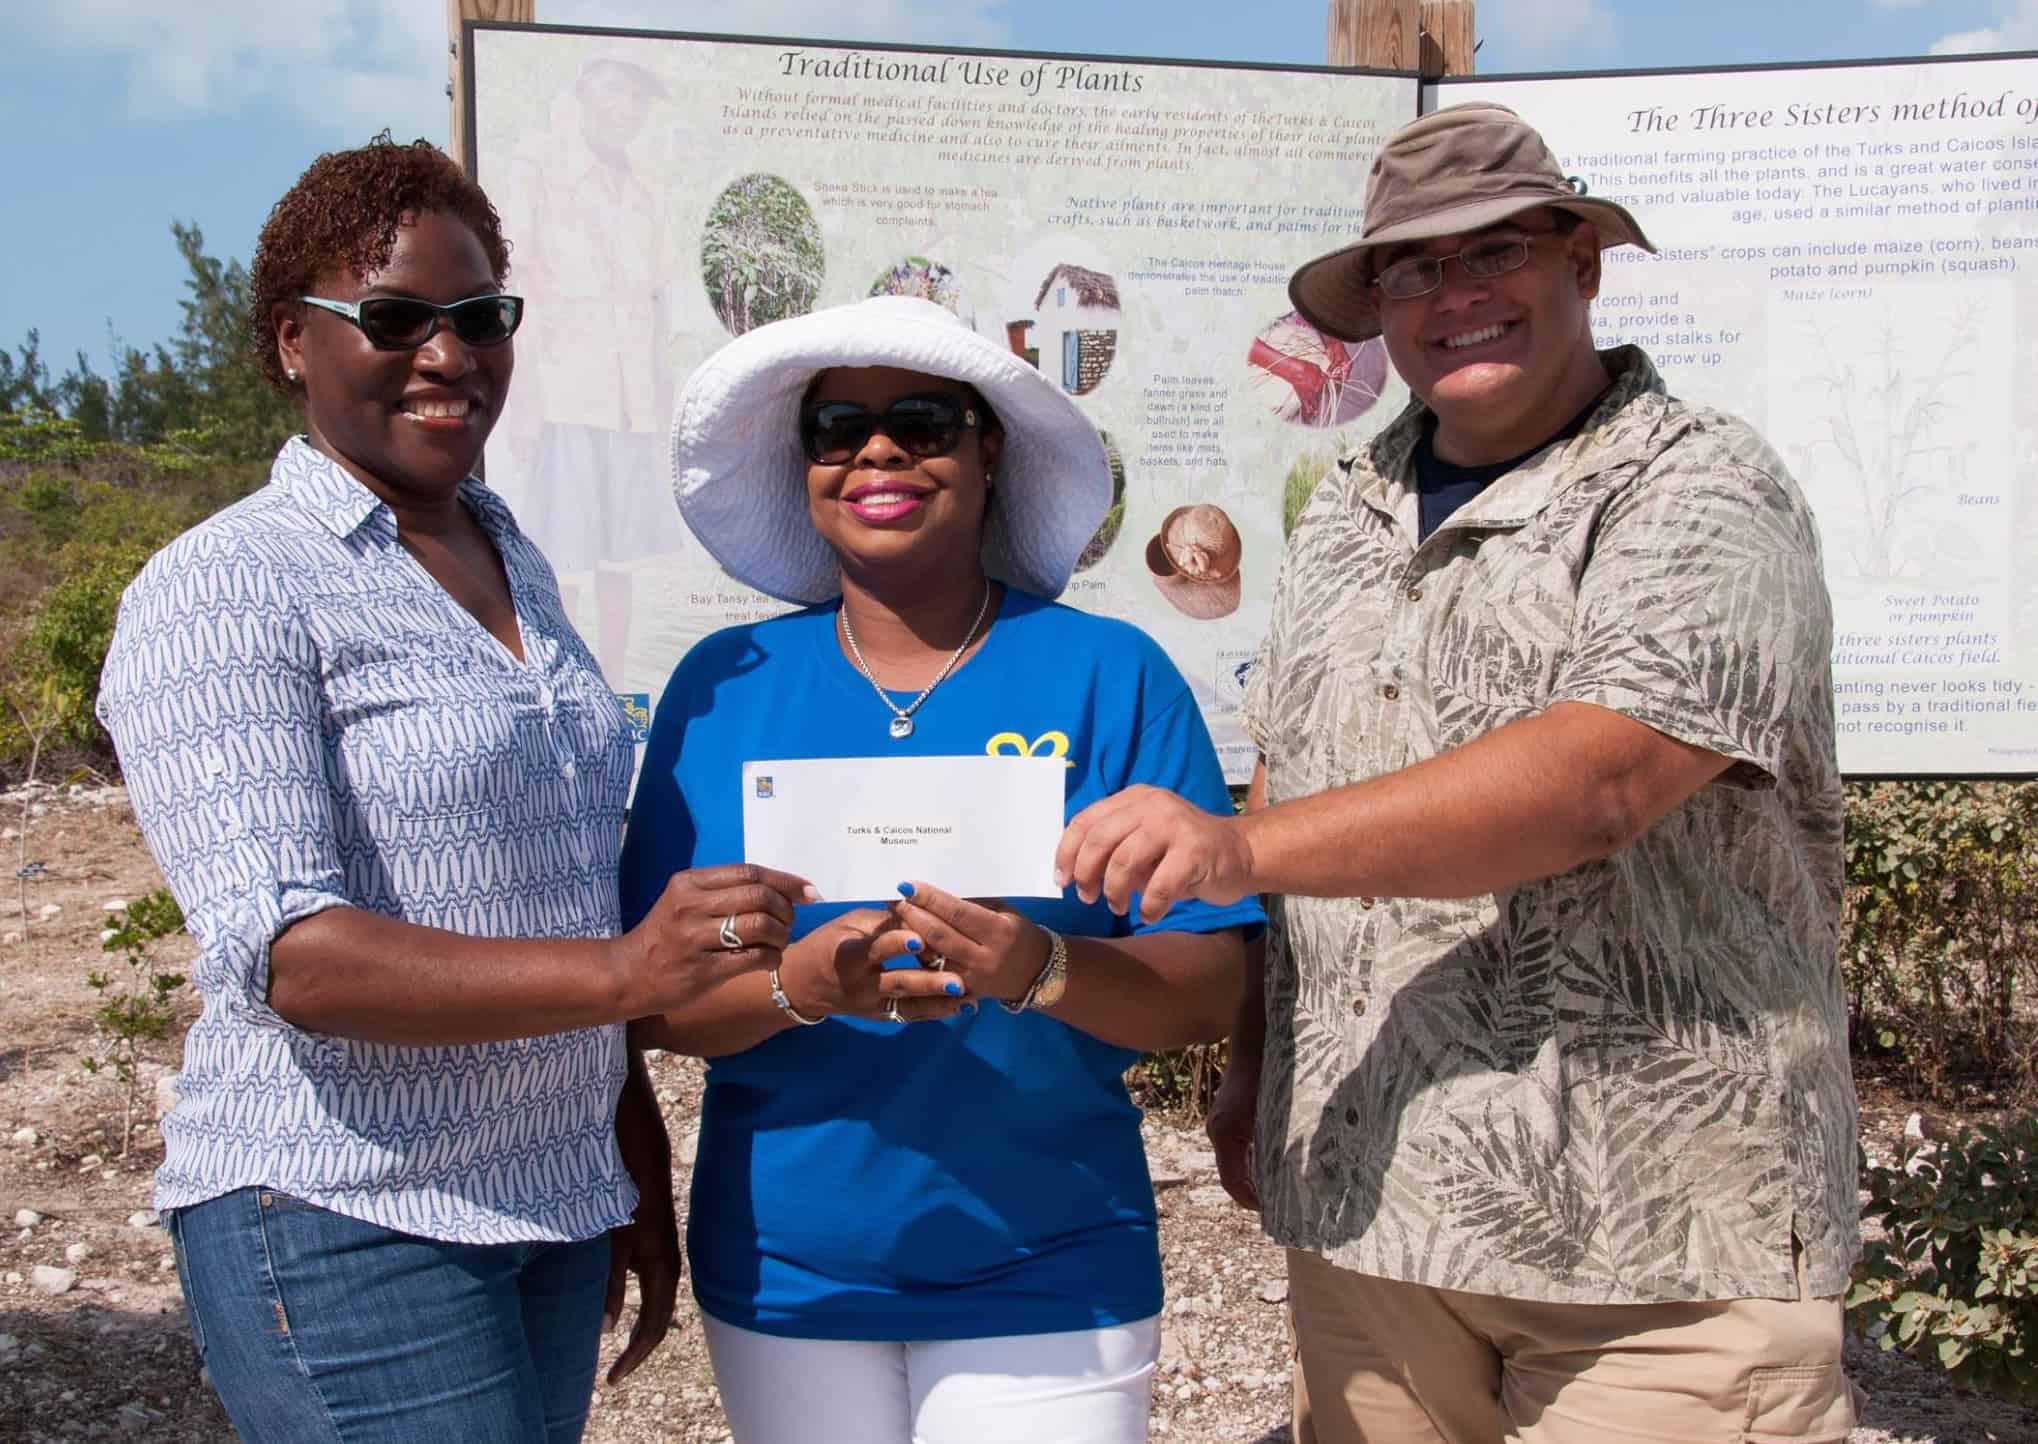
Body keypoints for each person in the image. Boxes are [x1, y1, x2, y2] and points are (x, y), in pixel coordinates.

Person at [1055, 103, 1859, 1443]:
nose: (1455, 295)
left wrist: (1235, 852)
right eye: (1412, 269)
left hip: (1655, 1241)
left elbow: (1600, 777)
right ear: (1374, 309)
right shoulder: (1348, 511)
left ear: (1581, 265)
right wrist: (1260, 1058)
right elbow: (1294, 788)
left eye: (1498, 251)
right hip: (1379, 1212)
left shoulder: (1697, 487)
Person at [95, 136, 808, 1443]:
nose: (448, 353)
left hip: (544, 1201)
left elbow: (560, 884)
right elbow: (289, 955)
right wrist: (623, 979)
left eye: (480, 317)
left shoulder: (510, 557)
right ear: (288, 345)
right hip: (344, 1214)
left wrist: (620, 1141)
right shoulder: (227, 587)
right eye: (396, 318)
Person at [621, 294, 1262, 1444]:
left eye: (922, 419)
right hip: (786, 1266)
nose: (877, 450)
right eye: (836, 428)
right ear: (805, 465)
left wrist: (1043, 967)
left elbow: (1212, 980)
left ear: (989, 451)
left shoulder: (1108, 674)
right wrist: (800, 986)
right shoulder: (724, 686)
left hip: (1053, 1258)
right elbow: (654, 1002)